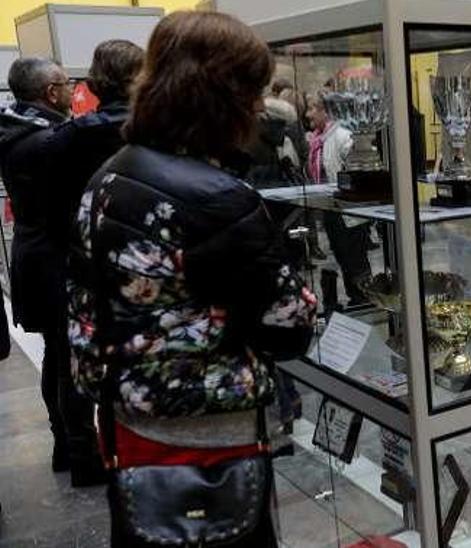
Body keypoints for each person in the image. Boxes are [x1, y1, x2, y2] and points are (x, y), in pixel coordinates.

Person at [65, 12, 316, 546]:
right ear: (220, 96)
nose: (256, 106)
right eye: (250, 90)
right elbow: (289, 328)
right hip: (211, 444)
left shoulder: (109, 175)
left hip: (128, 428)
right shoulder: (217, 197)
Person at [31, 39, 145, 487]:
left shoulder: (68, 136)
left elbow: (54, 211)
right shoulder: (149, 130)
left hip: (82, 262)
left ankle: (82, 454)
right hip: (141, 263)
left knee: (74, 361)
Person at [0, 56, 73, 476]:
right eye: (65, 84)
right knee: (64, 356)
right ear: (50, 92)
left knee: (57, 355)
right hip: (53, 259)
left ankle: (65, 438)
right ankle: (72, 445)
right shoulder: (46, 140)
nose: (70, 91)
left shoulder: (18, 132)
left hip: (37, 255)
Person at [306, 91, 372, 308]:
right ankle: (356, 298)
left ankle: (364, 299)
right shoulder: (319, 139)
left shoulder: (343, 136)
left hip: (348, 213)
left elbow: (361, 169)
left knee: (355, 260)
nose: (308, 114)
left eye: (312, 108)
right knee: (344, 259)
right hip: (332, 210)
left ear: (326, 111)